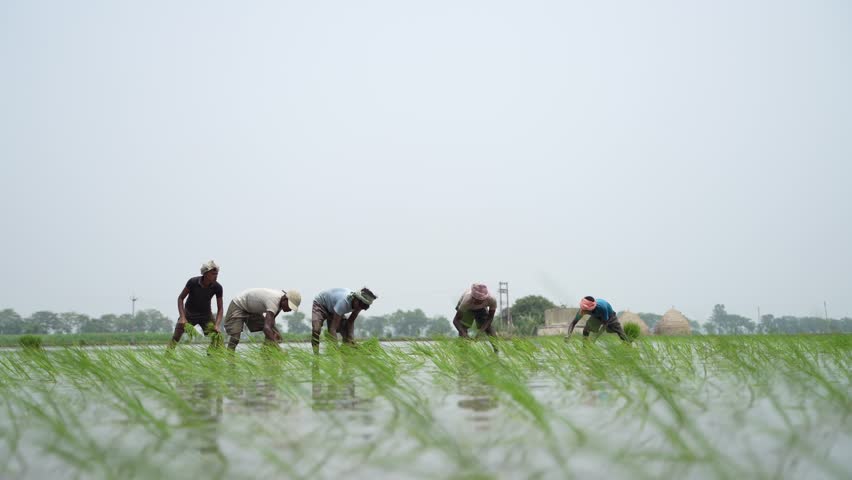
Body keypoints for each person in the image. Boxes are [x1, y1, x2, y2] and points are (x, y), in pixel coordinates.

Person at [223, 288, 302, 351]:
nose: (289, 310)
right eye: (289, 306)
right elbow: (266, 328)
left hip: (253, 309)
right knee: (235, 337)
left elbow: (271, 323)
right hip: (239, 305)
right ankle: (230, 359)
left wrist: (274, 336)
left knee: (277, 336)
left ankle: (265, 354)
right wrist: (279, 349)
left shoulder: (280, 304)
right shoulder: (274, 301)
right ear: (285, 299)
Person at [170, 260, 224, 349]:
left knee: (217, 337)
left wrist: (217, 325)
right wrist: (183, 317)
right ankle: (167, 356)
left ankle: (210, 355)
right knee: (176, 336)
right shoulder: (193, 282)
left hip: (206, 314)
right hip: (189, 313)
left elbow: (220, 309)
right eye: (213, 274)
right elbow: (180, 298)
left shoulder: (217, 287)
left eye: (216, 274)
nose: (216, 276)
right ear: (205, 274)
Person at [311, 287, 377, 353]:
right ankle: (316, 356)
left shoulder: (359, 306)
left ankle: (344, 356)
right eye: (360, 306)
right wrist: (335, 349)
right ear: (356, 299)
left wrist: (351, 338)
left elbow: (350, 322)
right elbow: (333, 328)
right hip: (321, 304)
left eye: (363, 308)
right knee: (316, 329)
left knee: (347, 336)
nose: (359, 309)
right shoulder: (343, 302)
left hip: (335, 309)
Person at [565, 296, 630, 342]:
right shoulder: (582, 310)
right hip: (596, 316)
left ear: (590, 309)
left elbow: (605, 325)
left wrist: (595, 337)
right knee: (586, 330)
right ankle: (585, 349)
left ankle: (629, 345)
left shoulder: (602, 308)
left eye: (584, 310)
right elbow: (573, 323)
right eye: (582, 309)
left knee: (620, 333)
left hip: (610, 316)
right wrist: (568, 335)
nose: (582, 312)